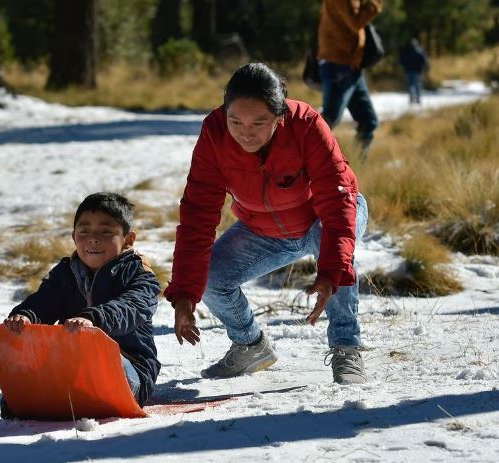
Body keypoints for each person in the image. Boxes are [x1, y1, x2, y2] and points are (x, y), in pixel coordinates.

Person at [165, 63, 369, 385]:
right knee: (212, 277)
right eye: (236, 121)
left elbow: (337, 201)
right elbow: (197, 217)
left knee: (331, 247)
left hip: (326, 216)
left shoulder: (307, 124)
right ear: (225, 112)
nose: (246, 132)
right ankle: (250, 345)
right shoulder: (215, 134)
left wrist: (331, 271)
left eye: (259, 122)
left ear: (279, 116)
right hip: (264, 230)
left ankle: (347, 348)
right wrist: (185, 294)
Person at [1, 192, 161, 417]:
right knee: (32, 379)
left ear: (128, 240)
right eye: (84, 231)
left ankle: (72, 395)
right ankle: (37, 397)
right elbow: (45, 300)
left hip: (130, 368)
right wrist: (27, 315)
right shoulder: (65, 273)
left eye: (106, 232)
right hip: (75, 362)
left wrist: (93, 319)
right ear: (74, 237)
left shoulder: (138, 274)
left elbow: (132, 306)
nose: (93, 239)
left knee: (98, 367)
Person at [318, 0, 384, 160]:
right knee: (326, 123)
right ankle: (305, 170)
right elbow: (355, 23)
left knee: (369, 122)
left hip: (351, 66)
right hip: (338, 65)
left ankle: (355, 169)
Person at [399, 38, 430, 105]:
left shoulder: (407, 52)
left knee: (410, 86)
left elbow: (401, 61)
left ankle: (411, 99)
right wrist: (427, 69)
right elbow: (425, 61)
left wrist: (403, 67)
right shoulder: (420, 52)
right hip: (418, 72)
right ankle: (418, 99)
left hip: (409, 72)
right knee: (417, 86)